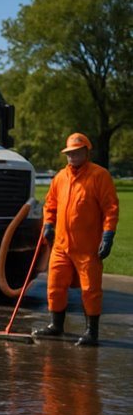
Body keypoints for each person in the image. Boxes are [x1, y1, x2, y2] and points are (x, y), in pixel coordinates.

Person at [34, 133, 119, 347]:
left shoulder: (99, 176)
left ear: (86, 152)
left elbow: (111, 208)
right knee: (55, 285)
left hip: (87, 246)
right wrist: (48, 224)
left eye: (76, 152)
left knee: (90, 289)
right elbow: (50, 204)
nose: (72, 156)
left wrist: (108, 235)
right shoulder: (60, 178)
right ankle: (56, 326)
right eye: (69, 153)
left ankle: (92, 332)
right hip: (61, 245)